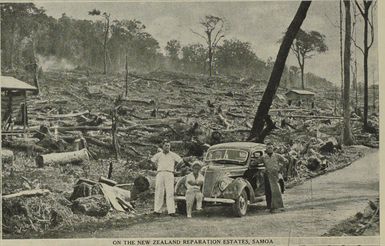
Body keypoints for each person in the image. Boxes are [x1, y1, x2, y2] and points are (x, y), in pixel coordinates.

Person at [151, 139, 183, 216]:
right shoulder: (159, 154)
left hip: (169, 173)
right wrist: (156, 167)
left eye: (168, 145)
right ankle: (157, 211)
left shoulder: (172, 154)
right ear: (162, 146)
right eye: (166, 145)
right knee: (159, 191)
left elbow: (181, 161)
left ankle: (171, 211)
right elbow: (152, 161)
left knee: (170, 192)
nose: (167, 147)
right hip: (160, 173)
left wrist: (175, 168)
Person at [262, 142, 288, 213]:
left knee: (276, 190)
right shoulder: (264, 157)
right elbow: (257, 162)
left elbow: (286, 161)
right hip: (267, 174)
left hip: (275, 174)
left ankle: (279, 206)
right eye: (268, 148)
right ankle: (269, 207)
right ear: (266, 149)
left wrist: (280, 168)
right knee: (268, 191)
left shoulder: (277, 156)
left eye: (270, 148)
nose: (269, 149)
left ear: (273, 148)